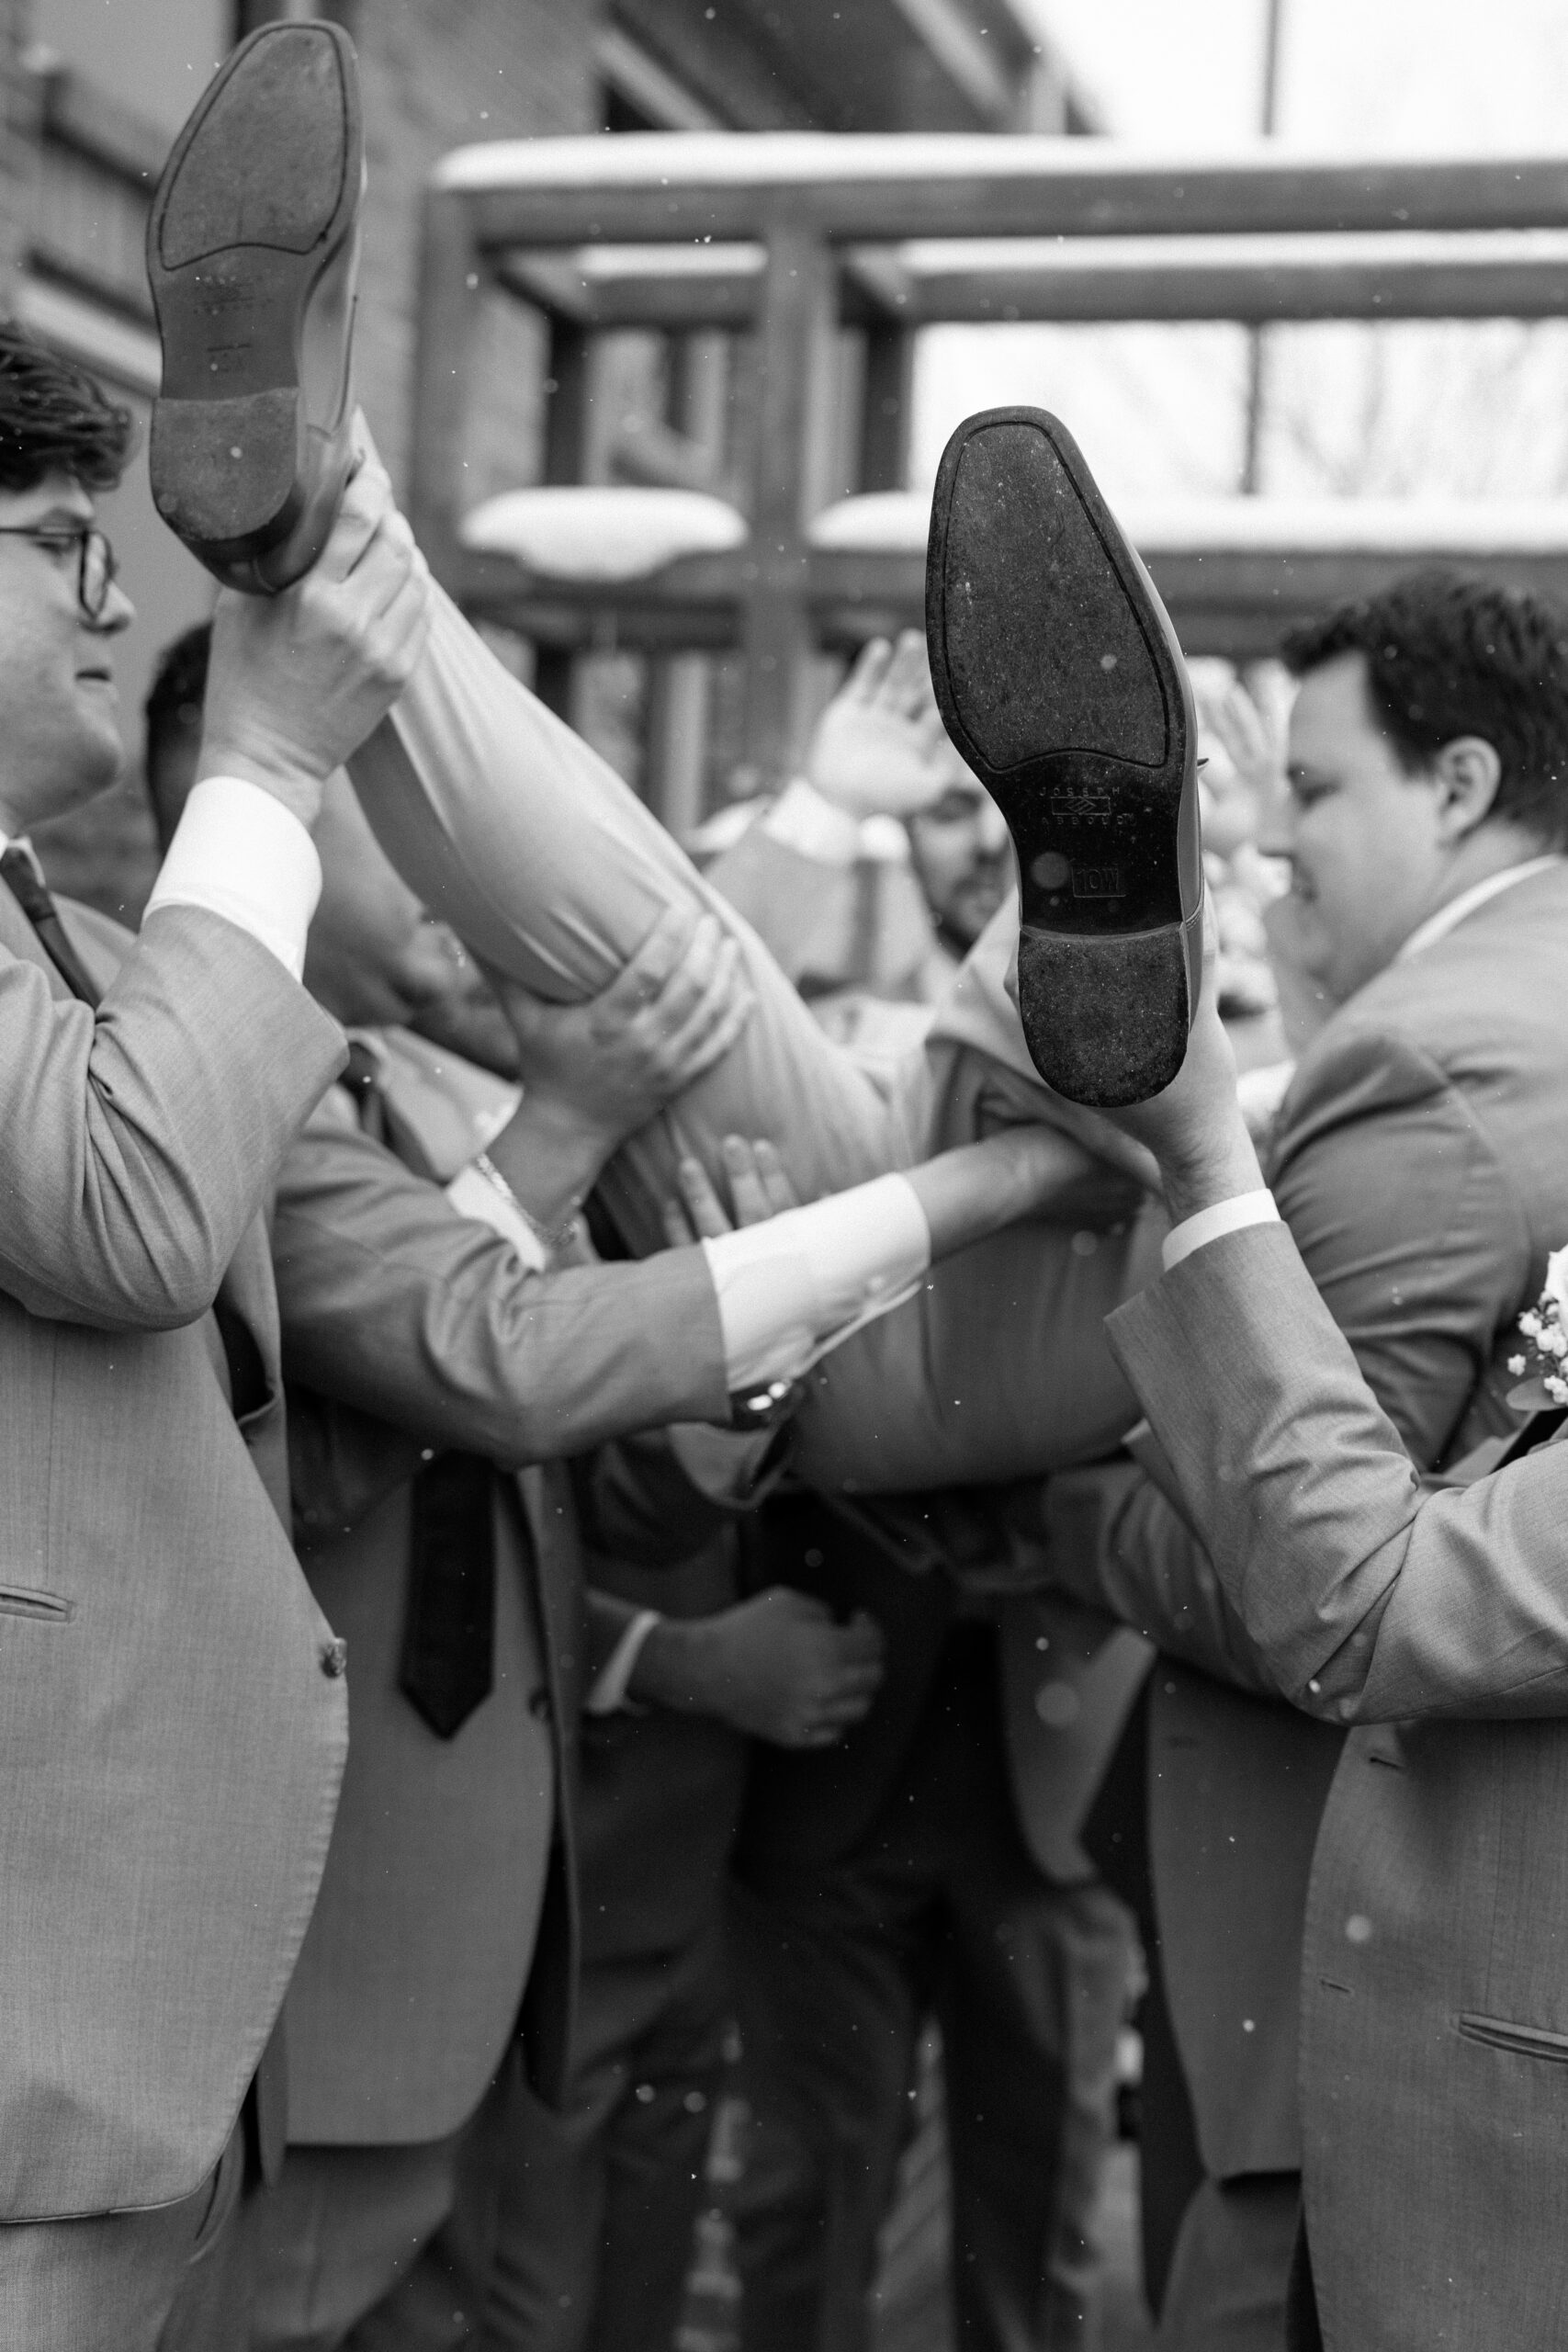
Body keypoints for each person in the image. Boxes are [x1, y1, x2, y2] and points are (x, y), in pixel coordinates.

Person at [1028, 568, 1568, 2350]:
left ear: (1463, 786)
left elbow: (1307, 1571)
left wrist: (1066, 1505)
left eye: (1315, 795)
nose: (1276, 851)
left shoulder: (1434, 1058)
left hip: (1348, 1957)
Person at [0, 321, 429, 2347]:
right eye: (62, 534)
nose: (115, 593)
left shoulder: (46, 930)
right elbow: (133, 1206)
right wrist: (260, 768)